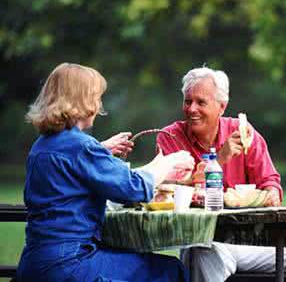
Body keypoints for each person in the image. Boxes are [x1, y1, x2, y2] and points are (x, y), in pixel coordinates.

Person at [156, 66, 286, 282]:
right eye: (188, 101)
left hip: (254, 245)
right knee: (200, 254)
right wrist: (219, 159)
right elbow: (166, 189)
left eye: (201, 102)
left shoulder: (245, 134)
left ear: (222, 106)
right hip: (207, 242)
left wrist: (271, 194)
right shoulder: (170, 137)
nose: (191, 109)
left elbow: (271, 184)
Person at [17, 63, 194, 282]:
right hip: (70, 264)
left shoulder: (42, 146)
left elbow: (73, 172)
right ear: (83, 100)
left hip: (34, 263)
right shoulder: (82, 147)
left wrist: (100, 150)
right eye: (96, 97)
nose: (99, 104)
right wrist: (169, 161)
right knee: (170, 270)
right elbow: (134, 188)